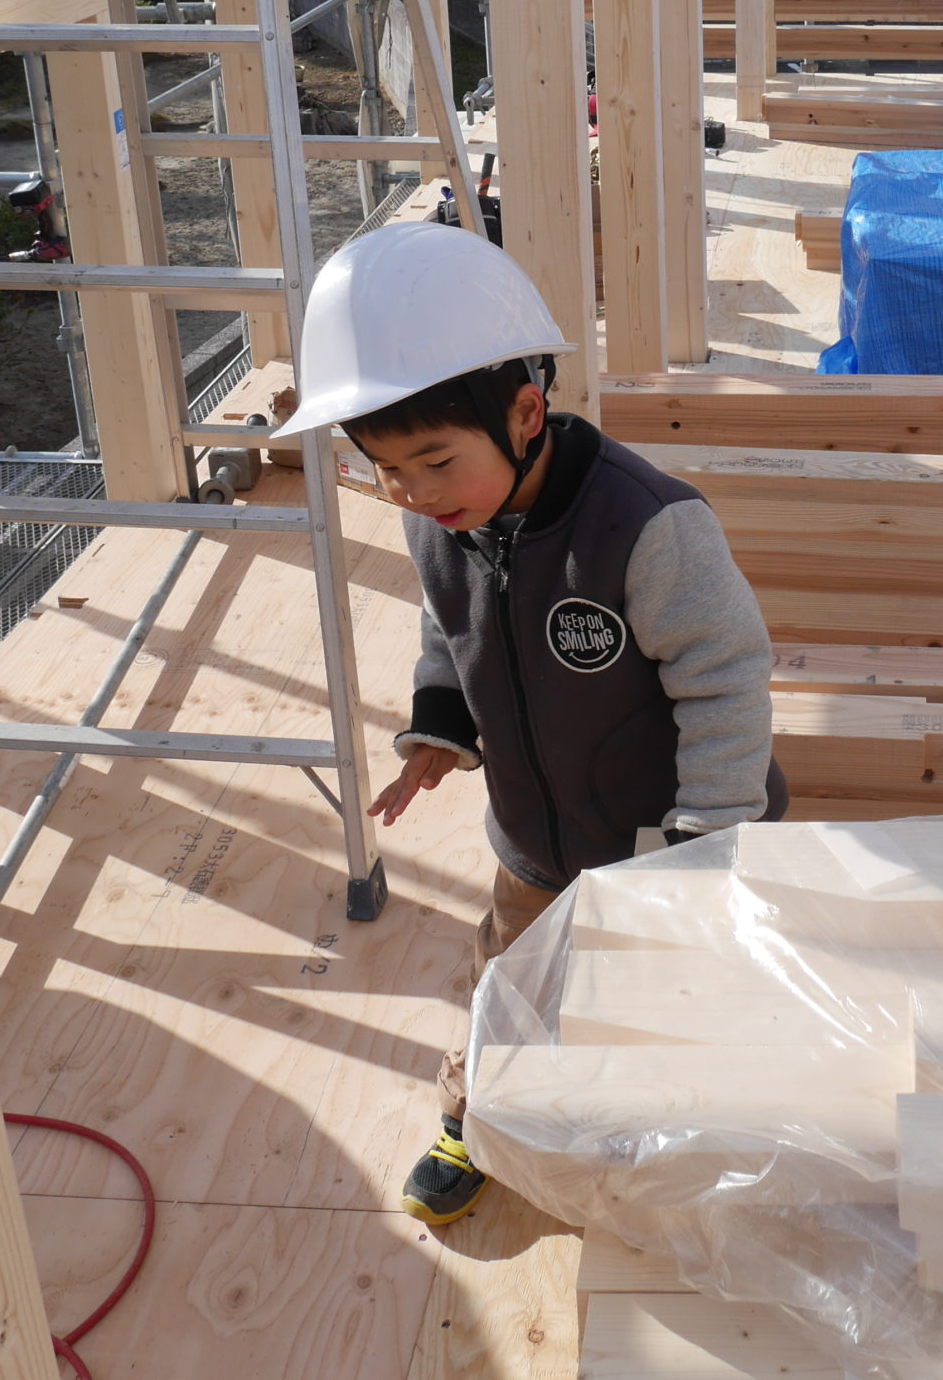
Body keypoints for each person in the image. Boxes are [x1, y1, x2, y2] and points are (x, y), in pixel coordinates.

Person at [274, 220, 786, 1227]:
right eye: (386, 467)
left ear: (524, 412)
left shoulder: (646, 527)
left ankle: (669, 1134)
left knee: (672, 1000)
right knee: (509, 988)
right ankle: (475, 1118)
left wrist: (709, 834)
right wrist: (438, 726)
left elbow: (726, 677)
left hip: (670, 838)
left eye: (433, 460)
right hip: (535, 842)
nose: (413, 491)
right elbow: (450, 624)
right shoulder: (441, 520)